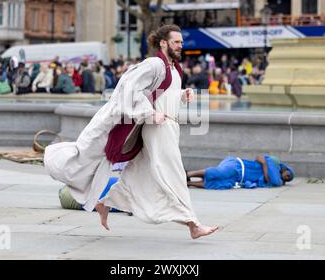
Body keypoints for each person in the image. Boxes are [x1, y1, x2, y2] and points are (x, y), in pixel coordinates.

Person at [44, 24, 218, 240]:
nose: (181, 45)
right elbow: (129, 88)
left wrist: (183, 95)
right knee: (173, 174)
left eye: (182, 42)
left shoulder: (174, 68)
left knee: (139, 173)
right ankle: (193, 224)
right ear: (163, 43)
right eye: (176, 42)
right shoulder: (155, 64)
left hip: (169, 127)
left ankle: (105, 203)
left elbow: (163, 94)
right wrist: (149, 114)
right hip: (158, 128)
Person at [186, 155, 294, 189]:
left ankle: (189, 183)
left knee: (219, 184)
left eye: (288, 179)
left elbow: (275, 181)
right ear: (285, 169)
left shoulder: (277, 181)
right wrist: (265, 168)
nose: (287, 177)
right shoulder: (273, 163)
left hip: (237, 178)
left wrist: (267, 176)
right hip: (237, 165)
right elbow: (259, 158)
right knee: (220, 173)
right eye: (288, 174)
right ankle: (188, 174)